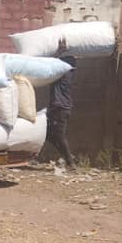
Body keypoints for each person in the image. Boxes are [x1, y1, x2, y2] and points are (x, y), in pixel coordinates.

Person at [47, 38, 76, 167]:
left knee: (59, 134)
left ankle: (70, 161)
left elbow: (51, 64)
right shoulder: (67, 73)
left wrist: (59, 52)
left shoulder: (64, 74)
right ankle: (67, 156)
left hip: (61, 108)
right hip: (57, 107)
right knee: (48, 134)